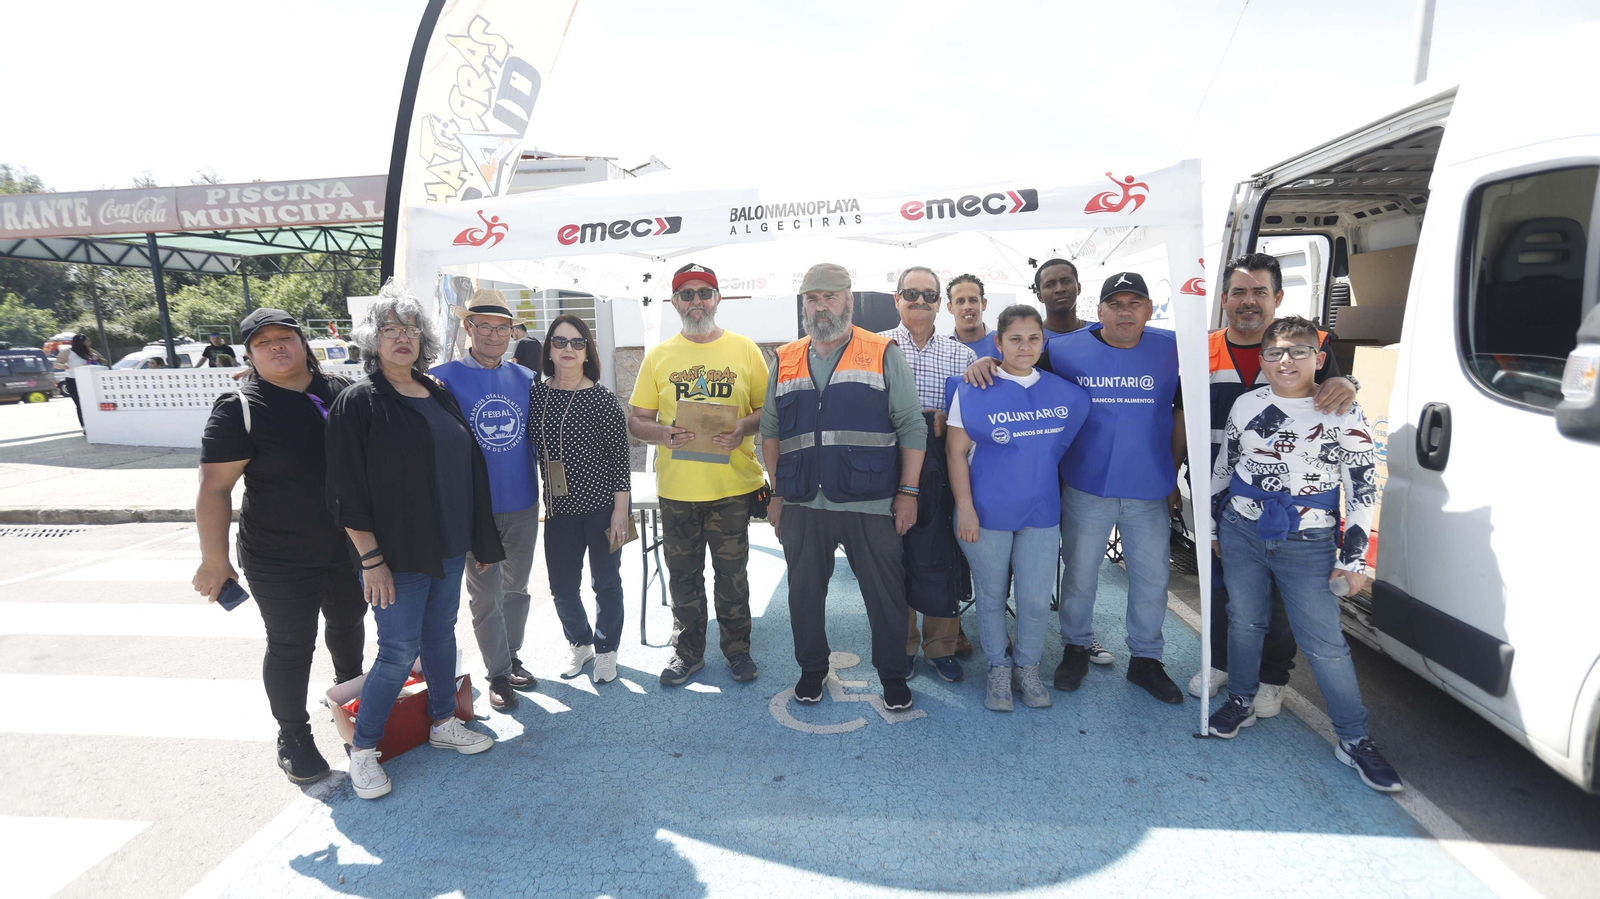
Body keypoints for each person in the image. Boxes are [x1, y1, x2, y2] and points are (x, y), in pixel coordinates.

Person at [1205, 316, 1401, 793]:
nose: (1284, 360)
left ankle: (1353, 738)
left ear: (1318, 357)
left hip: (1308, 542)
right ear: (1264, 360)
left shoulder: (1341, 410)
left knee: (1324, 642)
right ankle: (1242, 698)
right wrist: (1213, 524)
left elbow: (1360, 487)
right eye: (1274, 353)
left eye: (1297, 351)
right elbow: (1226, 464)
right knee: (1245, 620)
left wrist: (1352, 560)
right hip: (1242, 531)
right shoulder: (1248, 404)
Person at [325, 283, 503, 800]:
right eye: (389, 329)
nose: (401, 338)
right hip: (393, 554)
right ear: (372, 340)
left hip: (446, 545)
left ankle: (443, 723)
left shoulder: (437, 391)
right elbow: (343, 492)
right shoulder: (358, 403)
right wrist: (371, 560)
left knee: (441, 636)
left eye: (409, 329)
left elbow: (465, 470)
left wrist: (477, 541)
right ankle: (363, 750)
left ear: (422, 339)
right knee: (398, 651)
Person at [192, 308, 364, 784]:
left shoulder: (340, 392)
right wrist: (215, 559)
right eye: (263, 342)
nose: (276, 347)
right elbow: (213, 488)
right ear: (249, 352)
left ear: (301, 341)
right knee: (292, 645)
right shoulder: (240, 407)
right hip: (278, 555)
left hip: (347, 547)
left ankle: (353, 709)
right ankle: (293, 735)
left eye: (284, 336)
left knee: (349, 628)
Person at [1189, 252, 1359, 712]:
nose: (1249, 301)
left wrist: (1352, 383)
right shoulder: (1200, 346)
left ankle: (1272, 676)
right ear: (1224, 300)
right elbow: (1178, 414)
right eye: (1239, 292)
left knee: (1283, 594)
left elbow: (1337, 394)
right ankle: (1222, 661)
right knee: (1225, 585)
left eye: (1260, 291)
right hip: (1221, 482)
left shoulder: (1312, 341)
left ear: (1278, 297)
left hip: (1291, 498)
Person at [761, 262, 928, 712]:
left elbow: (911, 425)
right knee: (803, 596)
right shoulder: (786, 357)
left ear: (849, 301)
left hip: (870, 501)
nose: (820, 306)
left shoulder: (881, 351)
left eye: (829, 297)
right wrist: (777, 493)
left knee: (885, 594)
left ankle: (893, 675)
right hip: (801, 502)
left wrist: (908, 493)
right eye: (812, 299)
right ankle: (812, 671)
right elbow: (770, 432)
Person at [1047, 272, 1186, 702]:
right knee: (1081, 575)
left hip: (1149, 490)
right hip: (1087, 487)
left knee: (1151, 578)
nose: (1125, 311)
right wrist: (985, 363)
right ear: (1100, 309)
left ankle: (1146, 659)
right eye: (1116, 303)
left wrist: (1172, 471)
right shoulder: (1063, 349)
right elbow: (1022, 380)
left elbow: (1183, 411)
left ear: (1148, 309)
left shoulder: (1173, 349)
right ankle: (1075, 646)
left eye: (1134, 303)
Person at [628, 263, 766, 687]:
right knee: (683, 576)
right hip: (678, 490)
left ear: (718, 298)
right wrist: (663, 434)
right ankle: (687, 653)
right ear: (674, 303)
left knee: (732, 576)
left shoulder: (745, 350)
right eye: (686, 294)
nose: (696, 301)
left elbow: (767, 412)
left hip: (732, 487)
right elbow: (637, 421)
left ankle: (737, 650)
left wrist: (743, 426)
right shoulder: (660, 356)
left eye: (705, 292)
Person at [947, 305, 1090, 711]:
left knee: (1032, 600)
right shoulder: (972, 389)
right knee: (991, 596)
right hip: (986, 511)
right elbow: (956, 453)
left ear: (1043, 343)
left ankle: (1027, 668)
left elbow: (1064, 450)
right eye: (1015, 338)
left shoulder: (1066, 394)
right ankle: (998, 668)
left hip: (1041, 513)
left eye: (1033, 338)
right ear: (998, 342)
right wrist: (966, 509)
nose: (1024, 346)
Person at [430, 289, 541, 712]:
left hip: (524, 502)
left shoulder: (526, 379)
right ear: (468, 328)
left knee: (517, 589)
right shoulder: (441, 379)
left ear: (512, 332)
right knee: (485, 595)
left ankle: (511, 658)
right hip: (473, 509)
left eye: (502, 328)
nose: (495, 336)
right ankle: (497, 674)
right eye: (486, 327)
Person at [879, 266, 976, 683]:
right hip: (885, 463)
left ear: (942, 303)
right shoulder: (873, 348)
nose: (920, 301)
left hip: (941, 464)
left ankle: (941, 646)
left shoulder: (964, 356)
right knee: (891, 557)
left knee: (940, 556)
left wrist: (948, 422)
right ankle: (901, 645)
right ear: (896, 299)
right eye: (911, 293)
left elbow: (976, 419)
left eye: (930, 295)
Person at [531, 314, 633, 684]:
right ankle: (581, 643)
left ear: (588, 350)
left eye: (577, 343)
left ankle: (607, 650)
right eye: (560, 342)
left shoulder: (603, 400)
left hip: (604, 508)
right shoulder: (536, 394)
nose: (568, 349)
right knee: (561, 586)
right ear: (549, 350)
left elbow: (620, 463)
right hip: (558, 511)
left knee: (606, 583)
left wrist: (621, 514)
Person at [948, 273, 999, 360]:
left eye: (973, 300)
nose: (967, 307)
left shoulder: (1004, 343)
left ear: (983, 304)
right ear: (950, 308)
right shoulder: (941, 348)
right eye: (960, 301)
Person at [55, 334, 101, 428]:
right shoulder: (67, 352)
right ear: (82, 342)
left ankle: (95, 424)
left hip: (88, 380)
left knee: (91, 403)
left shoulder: (89, 351)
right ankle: (84, 426)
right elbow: (56, 363)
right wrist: (63, 366)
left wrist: (97, 359)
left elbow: (104, 361)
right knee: (80, 403)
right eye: (87, 341)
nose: (89, 343)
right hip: (73, 380)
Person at [1032, 258, 1085, 338]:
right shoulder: (1031, 340)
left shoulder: (1101, 334)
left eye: (1066, 281)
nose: (1060, 289)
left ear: (1079, 288)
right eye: (1050, 285)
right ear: (1040, 296)